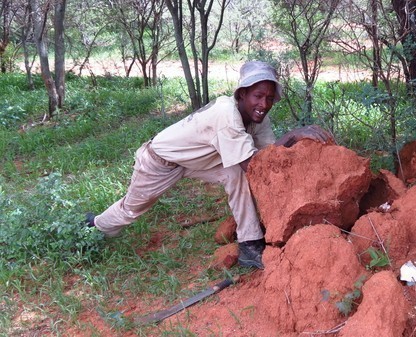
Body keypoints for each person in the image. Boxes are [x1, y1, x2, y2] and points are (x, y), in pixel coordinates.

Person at [85, 61, 333, 269]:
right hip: (160, 161)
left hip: (198, 161)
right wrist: (294, 135)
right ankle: (94, 227)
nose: (264, 104)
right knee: (131, 210)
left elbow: (269, 157)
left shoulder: (259, 118)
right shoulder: (226, 114)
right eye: (258, 96)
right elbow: (257, 167)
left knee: (234, 172)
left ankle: (249, 244)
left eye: (269, 98)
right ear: (242, 94)